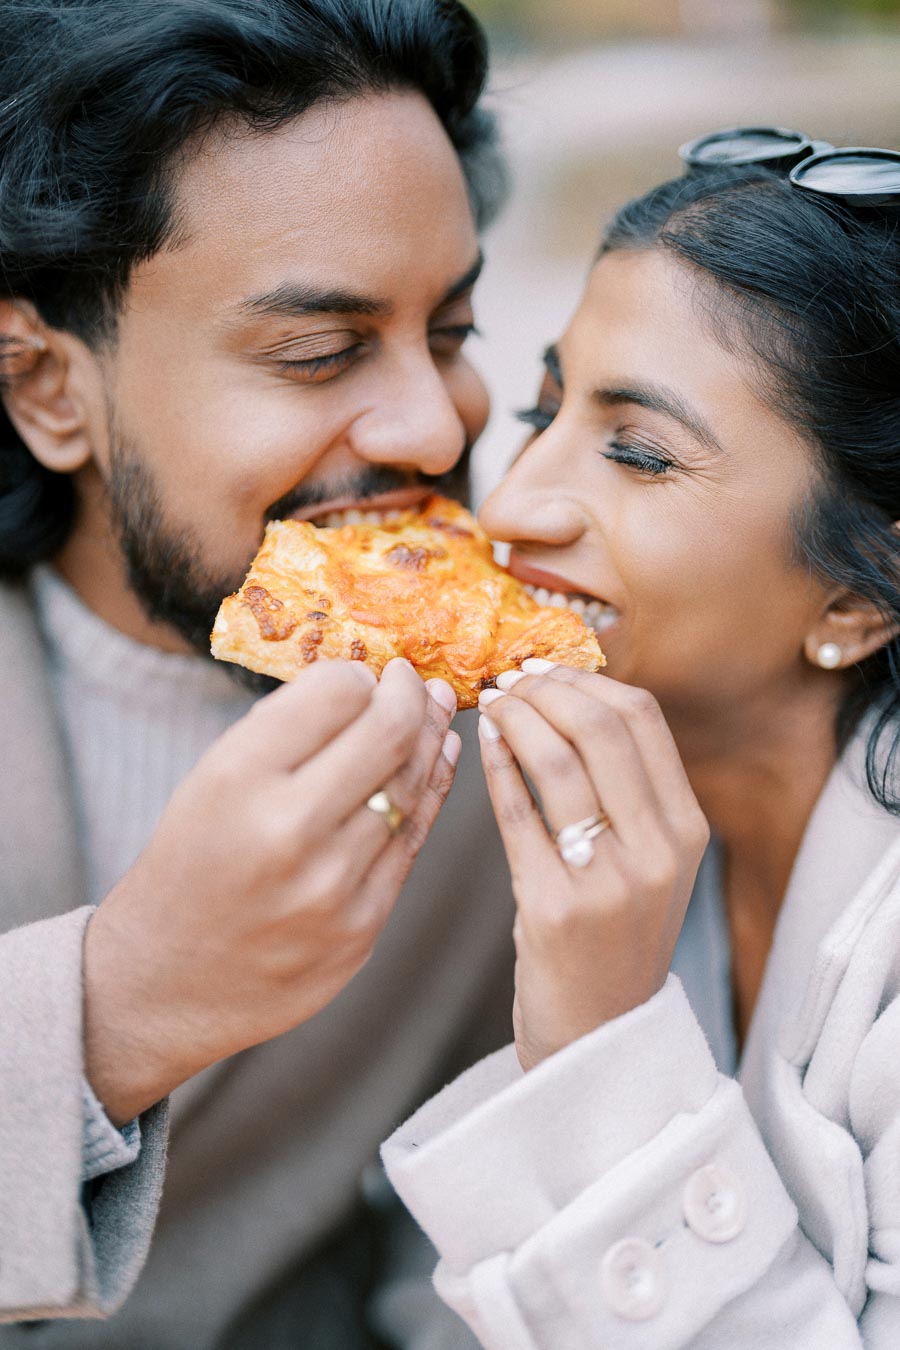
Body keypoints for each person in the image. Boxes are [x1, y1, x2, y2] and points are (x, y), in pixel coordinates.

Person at [0, 1, 515, 1345]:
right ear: (46, 386)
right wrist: (120, 1005)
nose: (430, 420)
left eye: (451, 331)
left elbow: (457, 1256)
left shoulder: (511, 733)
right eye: (319, 351)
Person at [382, 131, 900, 1346]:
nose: (504, 505)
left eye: (638, 452)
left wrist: (602, 1035)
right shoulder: (570, 816)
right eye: (540, 409)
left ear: (861, 592)